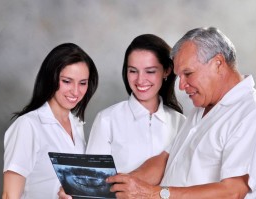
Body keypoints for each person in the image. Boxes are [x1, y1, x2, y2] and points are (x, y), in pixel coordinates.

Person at [106, 27, 256, 199]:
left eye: (187, 73)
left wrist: (153, 194)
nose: (181, 86)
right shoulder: (202, 107)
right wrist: (123, 184)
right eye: (179, 76)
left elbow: (232, 192)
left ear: (218, 63)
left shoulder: (255, 114)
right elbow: (166, 160)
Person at [58, 34, 186, 198]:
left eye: (150, 71)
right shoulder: (107, 119)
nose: (140, 80)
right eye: (133, 71)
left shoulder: (181, 124)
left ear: (166, 71)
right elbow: (92, 188)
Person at [2, 43, 99, 199]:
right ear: (51, 79)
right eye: (67, 81)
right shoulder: (28, 126)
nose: (75, 91)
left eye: (82, 83)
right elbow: (9, 195)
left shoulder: (77, 126)